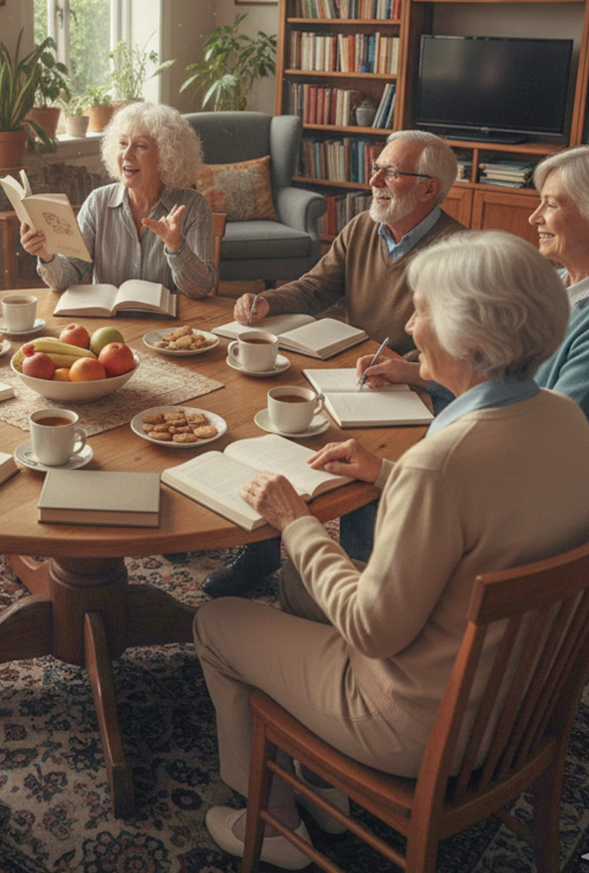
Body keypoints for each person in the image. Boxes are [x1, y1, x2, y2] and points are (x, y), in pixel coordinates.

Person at [193, 231, 589, 869]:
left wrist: (296, 522)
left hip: (419, 726)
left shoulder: (443, 463)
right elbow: (491, 506)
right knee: (297, 588)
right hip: (517, 703)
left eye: (423, 308)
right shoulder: (567, 422)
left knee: (215, 621)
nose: (408, 323)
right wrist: (386, 475)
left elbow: (371, 630)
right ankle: (322, 788)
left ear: (471, 336)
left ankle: (269, 822)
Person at [205, 130, 465, 597]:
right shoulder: (365, 226)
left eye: (391, 172)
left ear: (430, 188)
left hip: (413, 386)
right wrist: (265, 301)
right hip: (353, 371)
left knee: (360, 466)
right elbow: (313, 288)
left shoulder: (459, 252)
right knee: (262, 426)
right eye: (377, 167)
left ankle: (357, 582)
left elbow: (456, 347)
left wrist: (408, 370)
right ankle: (260, 552)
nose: (374, 179)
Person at [356, 144, 589, 421]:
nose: (534, 217)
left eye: (551, 204)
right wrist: (415, 375)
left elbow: (546, 430)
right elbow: (494, 383)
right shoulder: (550, 284)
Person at [20, 102, 218, 299]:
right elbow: (68, 276)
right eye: (122, 143)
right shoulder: (97, 203)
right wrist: (47, 255)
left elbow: (200, 289)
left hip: (167, 328)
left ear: (168, 155)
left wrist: (177, 247)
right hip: (108, 326)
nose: (126, 154)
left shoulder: (193, 207)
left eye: (141, 145)